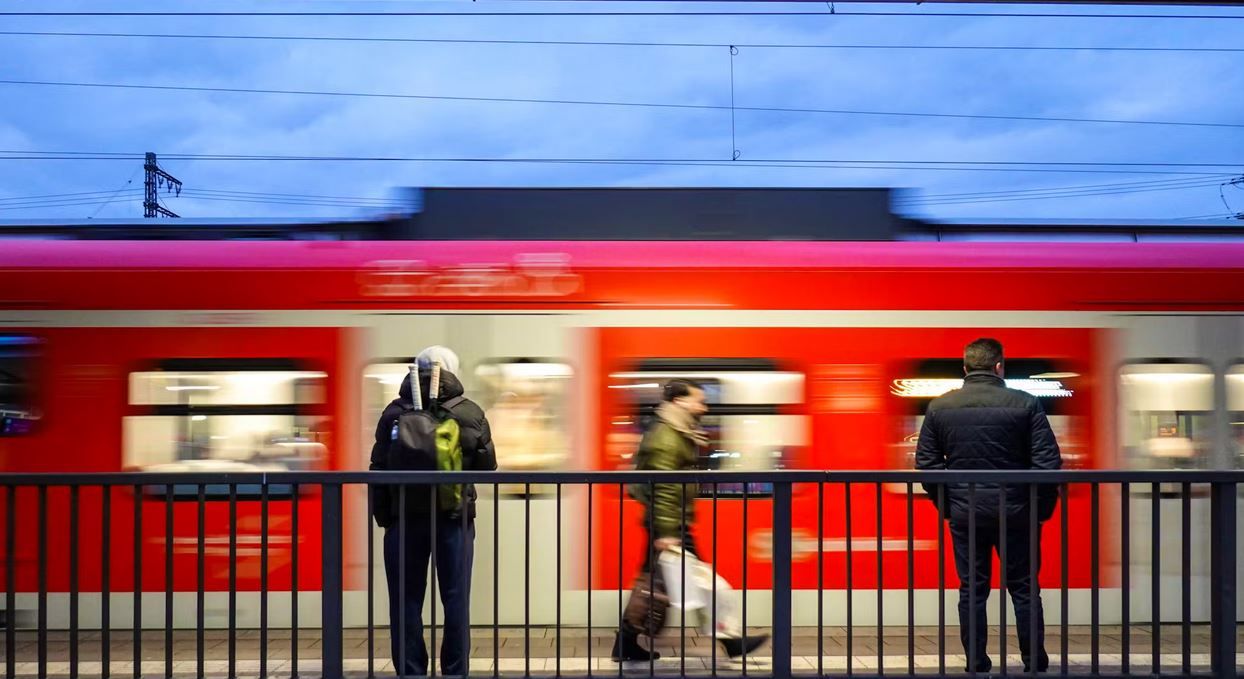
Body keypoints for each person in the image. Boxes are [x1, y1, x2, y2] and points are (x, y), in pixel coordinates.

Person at [915, 338, 1062, 674]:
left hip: (966, 515)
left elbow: (927, 465)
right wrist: (1038, 511)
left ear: (966, 368)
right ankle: (1034, 661)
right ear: (999, 366)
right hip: (1018, 514)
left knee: (972, 589)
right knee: (1024, 588)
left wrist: (950, 505)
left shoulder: (940, 406)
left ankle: (976, 662)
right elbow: (1048, 464)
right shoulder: (1026, 404)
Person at [612, 378, 768, 663]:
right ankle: (728, 640)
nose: (703, 406)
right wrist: (668, 530)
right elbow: (665, 487)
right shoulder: (667, 436)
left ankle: (627, 643)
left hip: (668, 520)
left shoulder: (676, 430)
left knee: (655, 582)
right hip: (669, 522)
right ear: (679, 401)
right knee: (698, 581)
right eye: (698, 400)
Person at [371, 346, 496, 677]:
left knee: (406, 600)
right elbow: (487, 468)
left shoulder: (393, 412)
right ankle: (455, 671)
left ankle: (411, 671)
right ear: (452, 370)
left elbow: (377, 467)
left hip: (404, 520)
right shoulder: (469, 412)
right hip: (453, 519)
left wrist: (386, 518)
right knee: (455, 599)